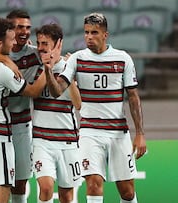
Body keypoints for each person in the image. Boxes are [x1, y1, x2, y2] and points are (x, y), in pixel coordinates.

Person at [44, 13, 147, 203]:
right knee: (93, 183)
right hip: (90, 132)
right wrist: (49, 70)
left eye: (94, 32)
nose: (89, 37)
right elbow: (57, 90)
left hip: (118, 133)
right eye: (86, 33)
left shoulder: (122, 58)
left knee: (127, 192)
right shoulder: (76, 59)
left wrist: (140, 133)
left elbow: (133, 96)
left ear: (105, 35)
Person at [0, 17, 50, 203]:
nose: (15, 43)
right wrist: (47, 68)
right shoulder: (2, 71)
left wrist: (4, 58)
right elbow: (33, 91)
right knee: (2, 194)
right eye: (11, 40)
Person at [32, 24, 82, 203]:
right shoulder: (34, 67)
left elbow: (78, 104)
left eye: (45, 43)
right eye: (38, 43)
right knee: (45, 188)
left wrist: (71, 77)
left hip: (67, 139)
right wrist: (46, 68)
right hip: (41, 140)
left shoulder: (70, 66)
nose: (40, 47)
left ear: (58, 43)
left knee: (67, 196)